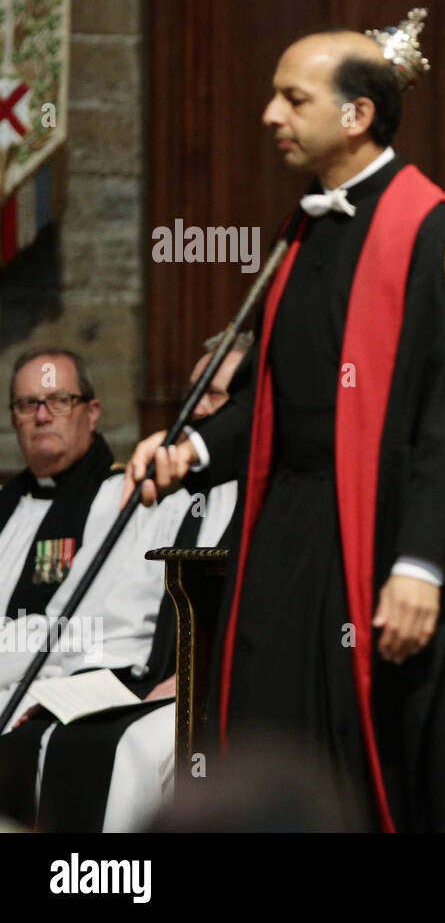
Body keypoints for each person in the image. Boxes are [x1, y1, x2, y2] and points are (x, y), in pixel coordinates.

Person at [123, 12, 445, 831]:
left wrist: (420, 566)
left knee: (373, 756)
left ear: (356, 115)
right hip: (291, 531)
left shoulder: (436, 235)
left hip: (385, 535)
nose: (270, 115)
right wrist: (189, 446)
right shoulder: (302, 227)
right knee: (273, 735)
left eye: (292, 99)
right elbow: (274, 402)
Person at [21, 337, 246, 831]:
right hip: (152, 674)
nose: (199, 407)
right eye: (193, 393)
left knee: (133, 751)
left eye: (217, 394)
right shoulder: (171, 490)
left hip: (225, 684)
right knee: (53, 733)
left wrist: (194, 675)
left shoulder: (270, 490)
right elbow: (123, 604)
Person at [0, 348, 192, 823]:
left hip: (57, 675)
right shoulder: (4, 505)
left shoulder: (119, 497)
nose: (41, 416)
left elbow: (86, 628)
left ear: (93, 410)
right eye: (27, 404)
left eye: (58, 400)